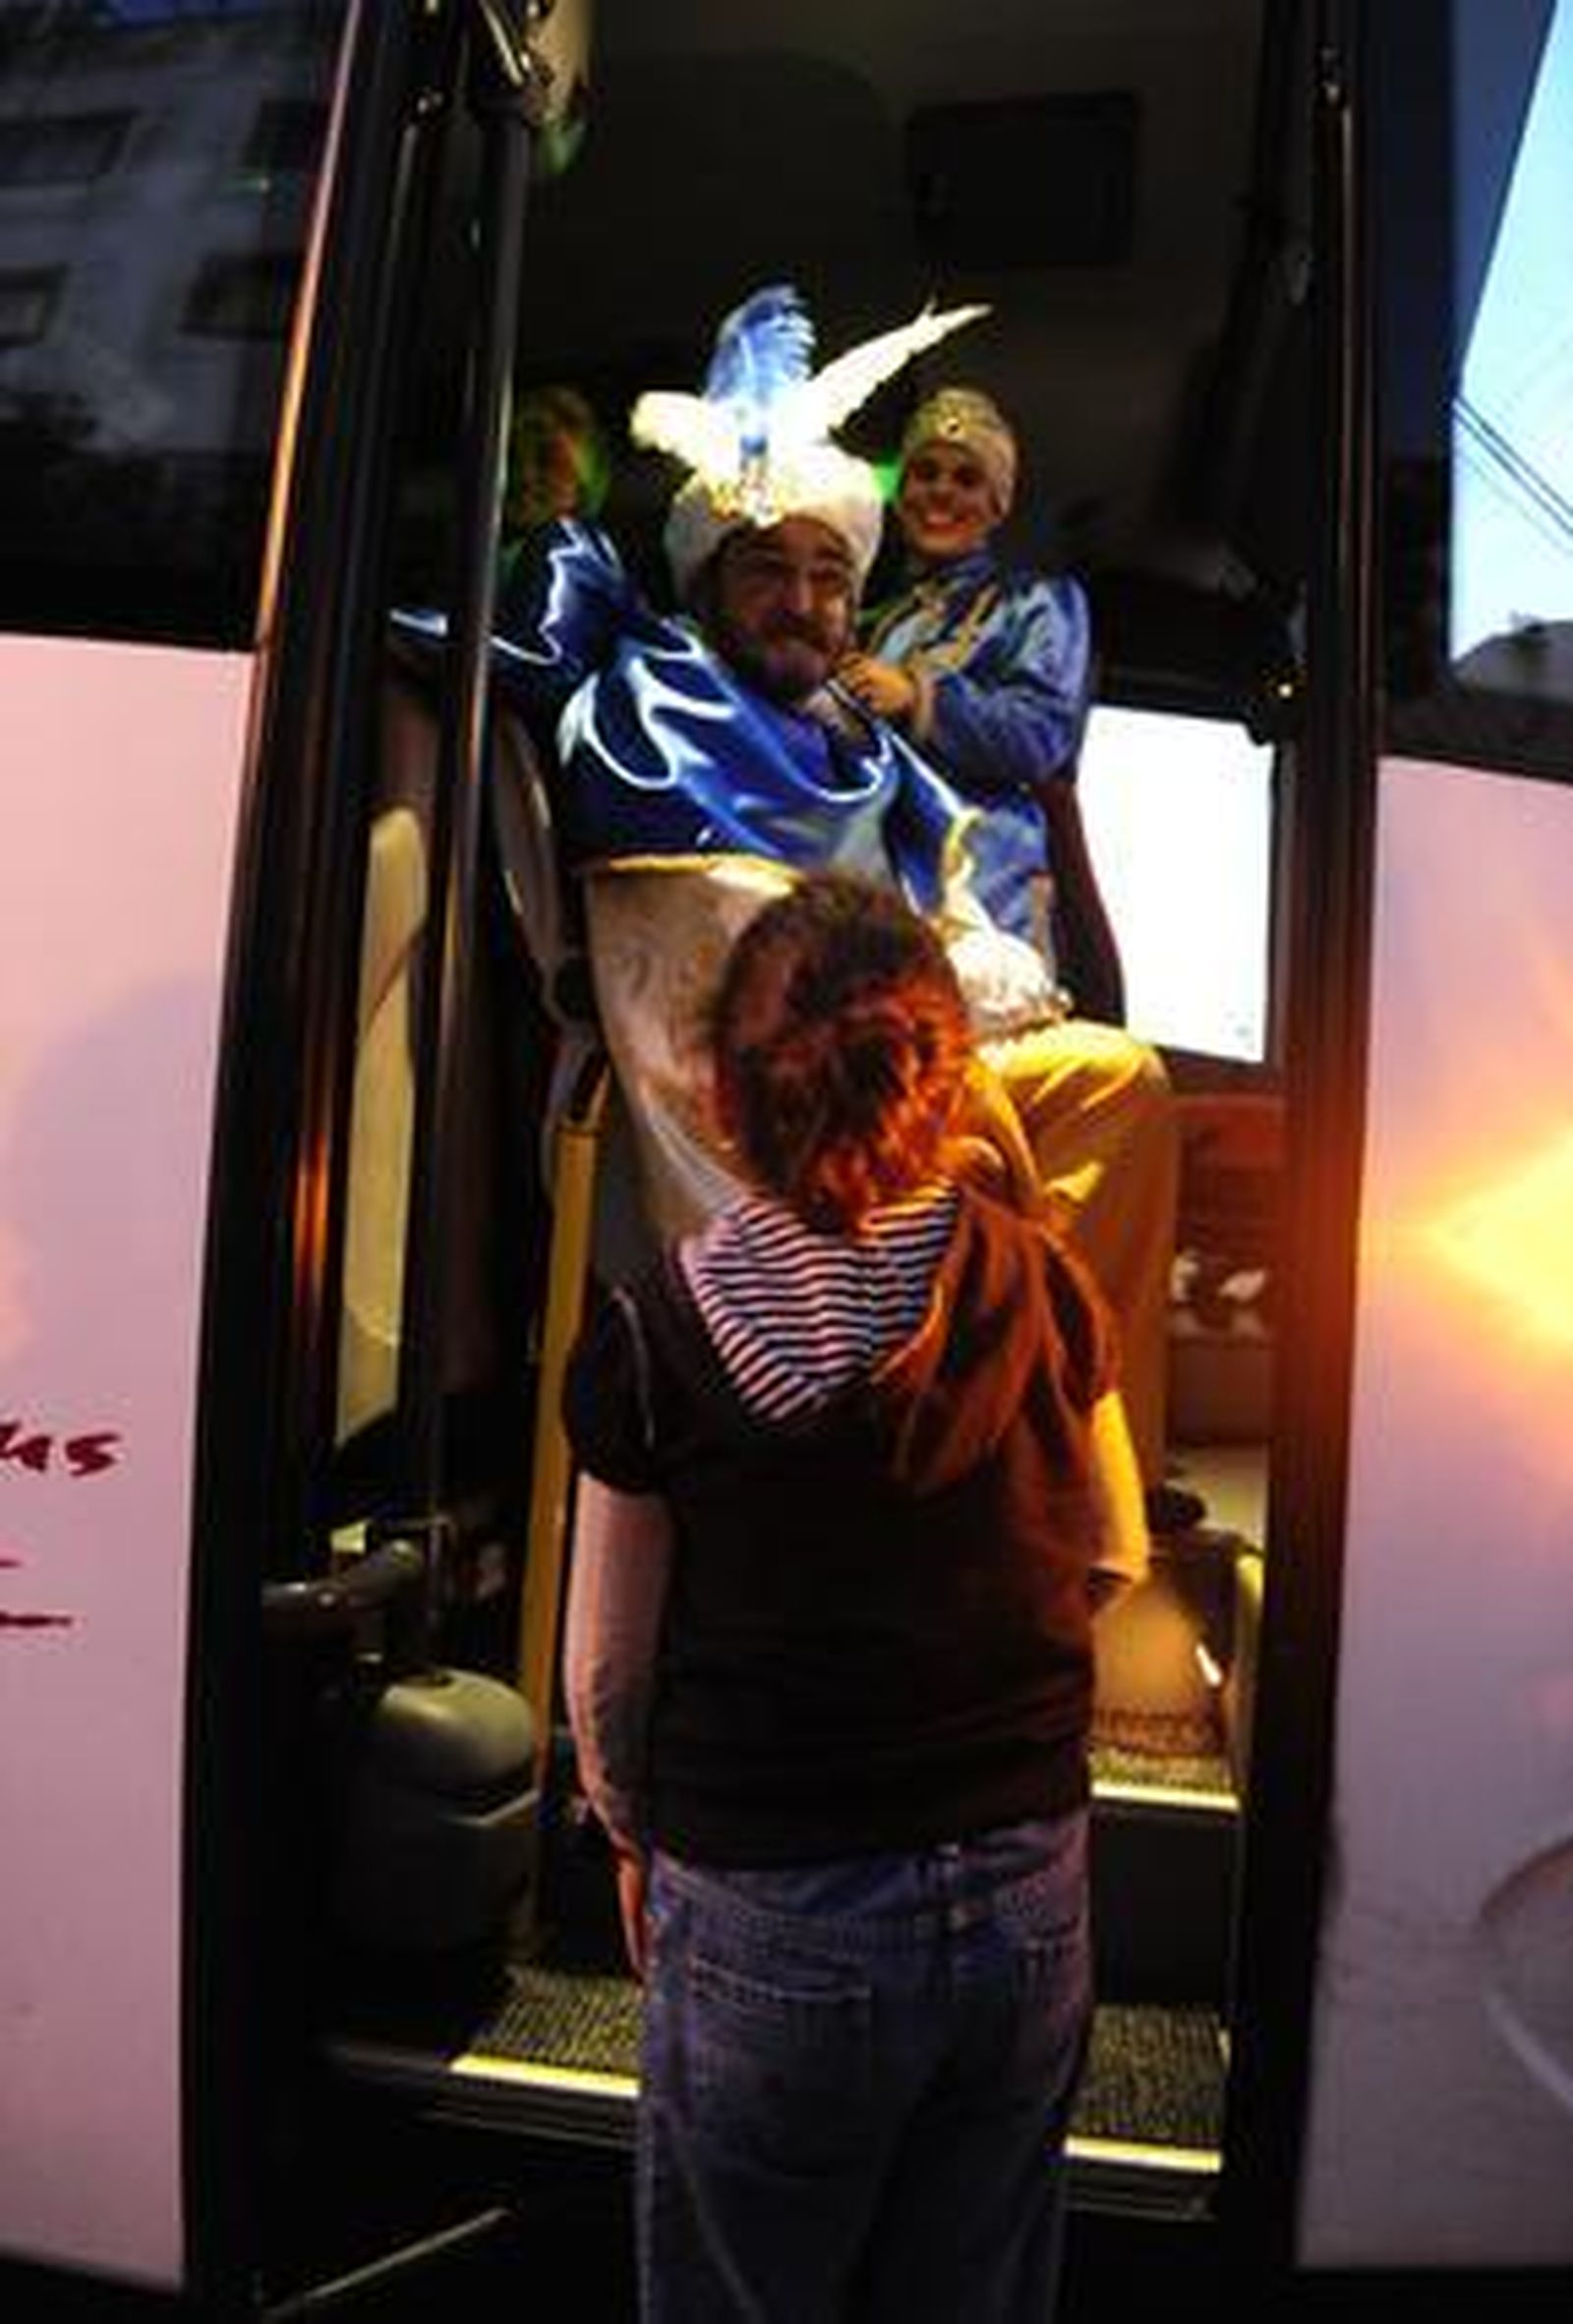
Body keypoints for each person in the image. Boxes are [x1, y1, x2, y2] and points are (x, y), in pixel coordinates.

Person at [562, 871, 1149, 2323]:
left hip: (777, 1910)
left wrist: (636, 1840)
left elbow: (609, 1681)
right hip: (1028, 1902)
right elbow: (1110, 1552)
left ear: (718, 1096)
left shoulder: (657, 1336)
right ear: (949, 1082)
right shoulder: (1045, 1285)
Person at [487, 284, 1180, 1505]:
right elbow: (725, 931)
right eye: (769, 571)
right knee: (976, 1125)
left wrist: (978, 960)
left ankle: (1047, 1434)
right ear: (709, 577)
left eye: (826, 574)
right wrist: (947, 985)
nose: (804, 602)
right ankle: (997, 1467)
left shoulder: (846, 716)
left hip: (878, 1031)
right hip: (767, 1078)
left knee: (1118, 1084)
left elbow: (945, 843)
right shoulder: (668, 696)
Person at [840, 383, 1103, 986]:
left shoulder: (1037, 604)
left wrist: (918, 698)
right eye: (925, 472)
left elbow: (1041, 736)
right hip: (873, 879)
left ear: (997, 504)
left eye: (966, 479)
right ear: (900, 492)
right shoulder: (870, 619)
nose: (940, 491)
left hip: (985, 883)